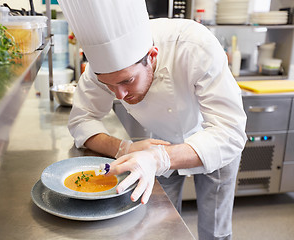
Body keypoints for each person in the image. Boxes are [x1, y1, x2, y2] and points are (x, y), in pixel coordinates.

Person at [58, 0, 247, 239]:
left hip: (215, 141)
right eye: (108, 85)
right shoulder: (99, 70)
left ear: (152, 56)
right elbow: (81, 119)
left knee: (215, 230)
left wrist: (161, 159)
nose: (120, 96)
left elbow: (229, 132)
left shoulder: (195, 45)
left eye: (127, 81)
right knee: (161, 223)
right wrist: (124, 147)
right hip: (161, 139)